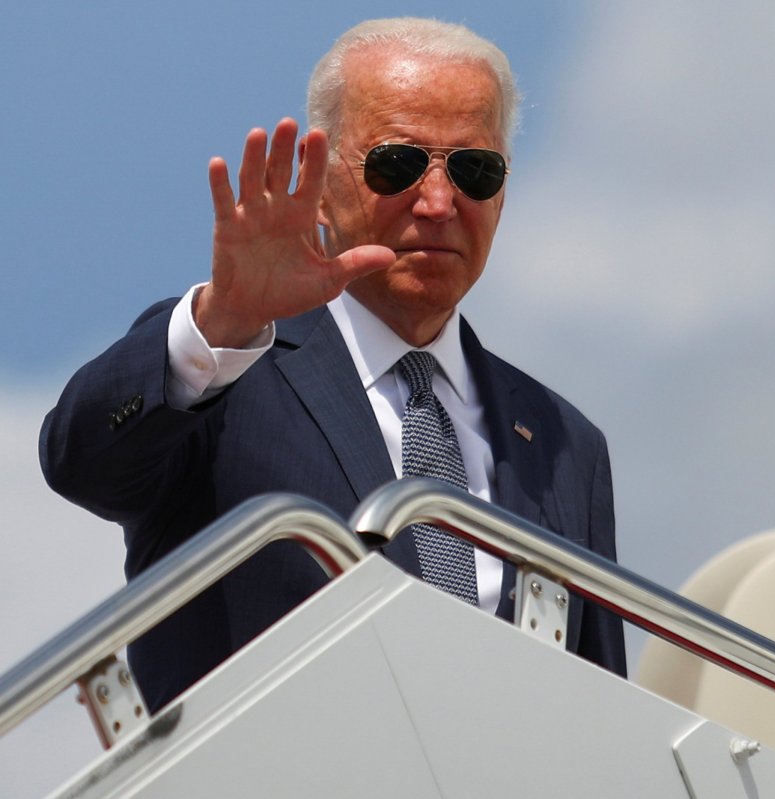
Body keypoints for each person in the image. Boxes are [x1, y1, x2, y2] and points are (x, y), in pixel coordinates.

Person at [39, 17, 625, 712]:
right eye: (397, 164)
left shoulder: (566, 443)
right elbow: (82, 460)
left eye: (474, 170)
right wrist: (223, 319)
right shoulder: (228, 364)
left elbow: (601, 707)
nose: (438, 203)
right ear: (318, 188)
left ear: (501, 194)